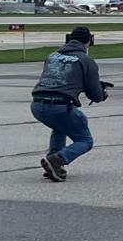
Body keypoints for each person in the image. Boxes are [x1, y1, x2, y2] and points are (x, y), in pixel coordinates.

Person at [30, 26, 107, 182]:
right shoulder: (86, 60)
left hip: (37, 105)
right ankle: (59, 159)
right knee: (85, 140)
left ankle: (53, 165)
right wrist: (101, 92)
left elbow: (59, 79)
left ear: (70, 39)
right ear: (88, 41)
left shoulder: (52, 55)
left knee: (60, 128)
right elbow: (95, 94)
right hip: (59, 106)